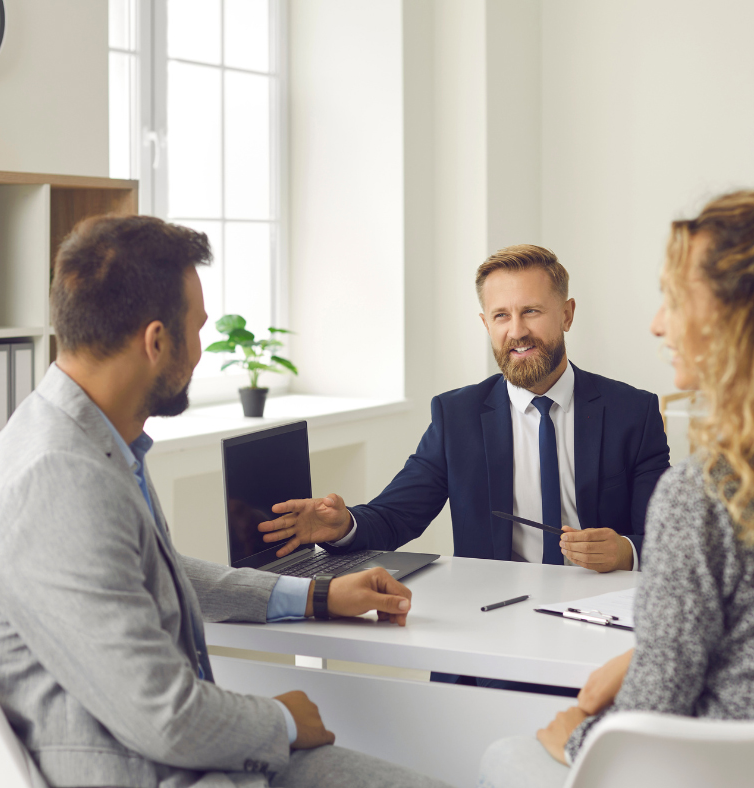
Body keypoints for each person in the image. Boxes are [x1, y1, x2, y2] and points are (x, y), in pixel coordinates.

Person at [0, 215, 451, 788]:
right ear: (157, 341)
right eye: (198, 329)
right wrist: (282, 719)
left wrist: (317, 595)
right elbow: (166, 718)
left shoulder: (85, 440)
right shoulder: (58, 475)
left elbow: (153, 569)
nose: (202, 349)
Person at [477, 190, 754, 786]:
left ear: (737, 320)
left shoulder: (705, 492)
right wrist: (641, 656)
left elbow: (653, 707)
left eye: (674, 300)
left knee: (503, 755)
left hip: (709, 769)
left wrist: (572, 731)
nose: (658, 322)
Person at [258, 245, 669, 692]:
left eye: (531, 311)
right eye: (501, 316)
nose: (517, 332)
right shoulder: (457, 416)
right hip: (490, 631)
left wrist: (626, 550)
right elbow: (397, 515)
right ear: (485, 323)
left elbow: (670, 541)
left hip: (602, 635)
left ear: (567, 314)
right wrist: (344, 525)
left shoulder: (634, 412)